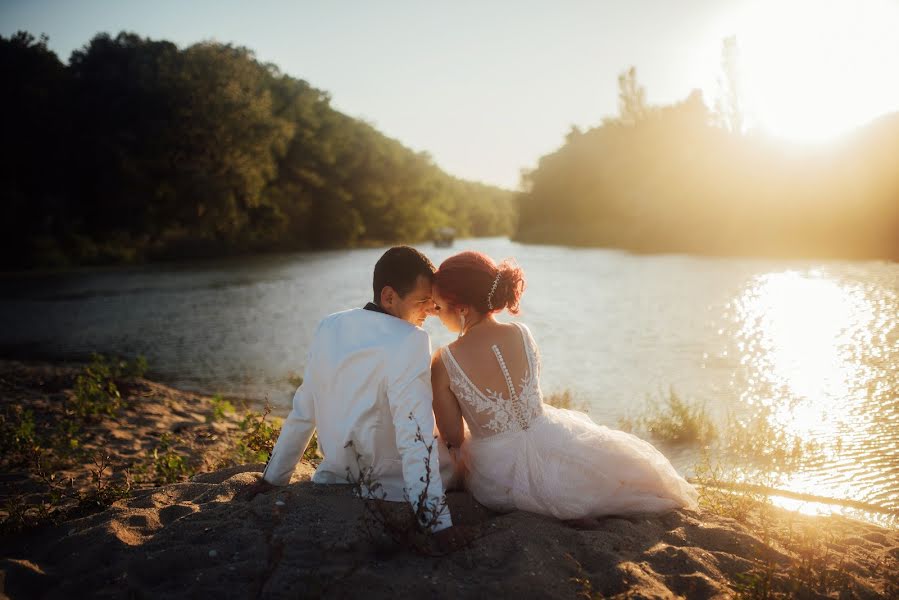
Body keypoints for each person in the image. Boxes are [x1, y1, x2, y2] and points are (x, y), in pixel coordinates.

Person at [430, 251, 698, 519]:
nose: (437, 316)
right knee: (611, 470)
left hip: (497, 473)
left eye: (439, 308)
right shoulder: (522, 334)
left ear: (462, 308)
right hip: (550, 435)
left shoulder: (445, 361)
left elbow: (453, 436)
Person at [246, 246, 453, 533]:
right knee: (462, 448)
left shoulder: (329, 325)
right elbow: (414, 434)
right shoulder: (412, 339)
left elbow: (304, 410)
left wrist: (273, 479)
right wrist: (435, 521)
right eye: (423, 301)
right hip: (392, 482)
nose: (431, 310)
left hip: (338, 475)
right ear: (389, 297)